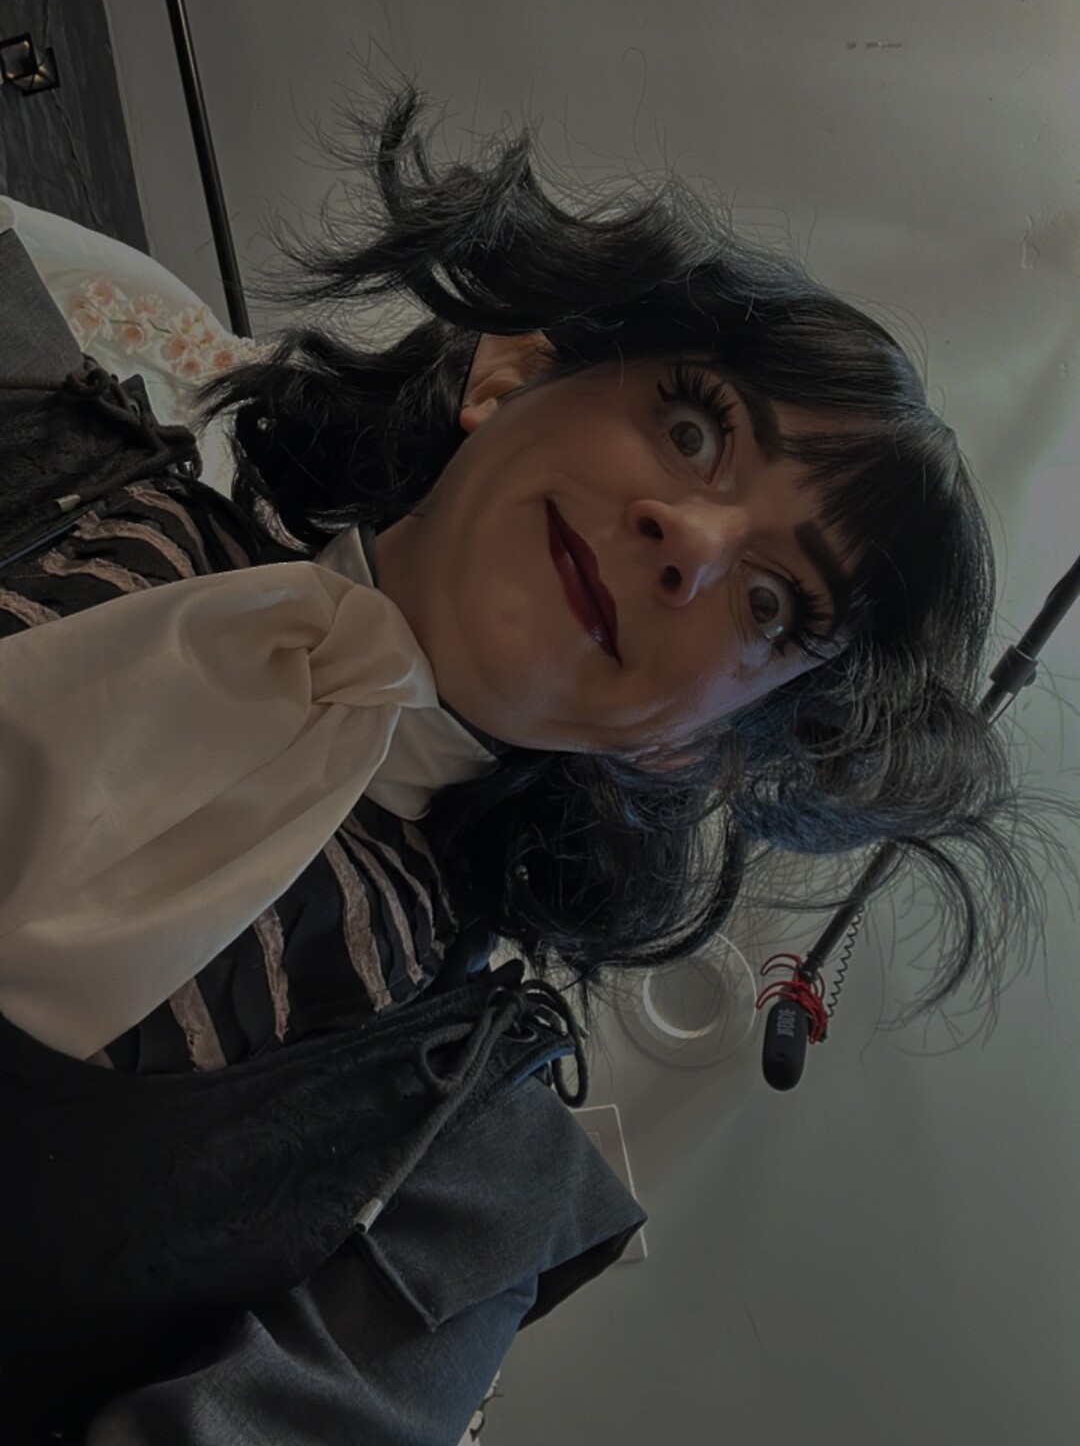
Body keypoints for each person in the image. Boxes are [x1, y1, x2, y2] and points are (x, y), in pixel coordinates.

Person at [0, 71, 1061, 1441]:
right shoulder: (37, 398)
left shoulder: (467, 1187)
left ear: (703, 745)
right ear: (509, 369)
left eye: (770, 604)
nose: (692, 538)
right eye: (695, 427)